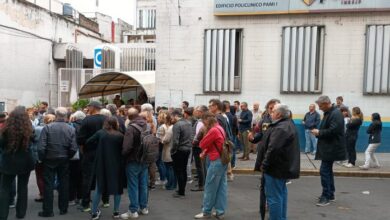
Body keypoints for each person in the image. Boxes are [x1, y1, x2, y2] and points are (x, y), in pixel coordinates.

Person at [254, 104, 300, 220]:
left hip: (275, 168)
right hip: (281, 167)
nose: (271, 113)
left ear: (279, 114)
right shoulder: (287, 124)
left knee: (274, 198)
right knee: (280, 195)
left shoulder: (281, 127)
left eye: (273, 111)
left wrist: (264, 164)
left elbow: (273, 149)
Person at [37, 107, 78, 217]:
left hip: (49, 158)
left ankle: (48, 211)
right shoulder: (71, 129)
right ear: (65, 116)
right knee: (64, 183)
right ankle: (63, 209)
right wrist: (68, 156)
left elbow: (41, 147)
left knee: (48, 184)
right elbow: (74, 147)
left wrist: (43, 158)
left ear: (56, 115)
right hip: (64, 158)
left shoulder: (48, 128)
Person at [0, 106, 35, 220]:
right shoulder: (29, 128)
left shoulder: (5, 129)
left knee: (4, 188)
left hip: (9, 161)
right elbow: (33, 141)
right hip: (25, 161)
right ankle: (20, 213)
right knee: (23, 187)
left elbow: (1, 144)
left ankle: (3, 215)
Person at [86, 117, 124, 220]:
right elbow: (123, 150)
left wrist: (98, 147)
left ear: (106, 124)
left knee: (99, 189)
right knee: (117, 189)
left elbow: (88, 141)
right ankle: (116, 212)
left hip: (101, 164)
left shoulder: (101, 133)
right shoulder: (120, 136)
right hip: (116, 164)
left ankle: (94, 212)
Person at [311, 96, 346, 207]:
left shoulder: (335, 114)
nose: (319, 108)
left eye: (320, 106)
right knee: (327, 171)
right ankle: (330, 194)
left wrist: (319, 132)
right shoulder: (331, 113)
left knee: (324, 171)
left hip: (331, 148)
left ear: (326, 103)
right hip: (329, 147)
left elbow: (333, 131)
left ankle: (326, 196)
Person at [194, 112, 227, 219]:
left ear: (207, 120)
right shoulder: (220, 128)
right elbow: (214, 143)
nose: (203, 124)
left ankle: (206, 211)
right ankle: (220, 211)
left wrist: (204, 131)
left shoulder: (212, 130)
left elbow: (202, 144)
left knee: (210, 187)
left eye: (203, 121)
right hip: (222, 159)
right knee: (221, 187)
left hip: (216, 160)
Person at [76, 101, 107, 212]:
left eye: (89, 106)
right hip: (104, 152)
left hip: (89, 152)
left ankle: (86, 204)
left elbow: (80, 138)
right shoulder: (106, 119)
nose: (88, 108)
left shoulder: (87, 120)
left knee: (87, 178)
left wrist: (83, 146)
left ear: (93, 107)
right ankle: (106, 200)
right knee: (103, 175)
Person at [121, 108, 150, 219]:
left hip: (133, 160)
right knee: (143, 185)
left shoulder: (131, 128)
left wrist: (123, 155)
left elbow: (126, 147)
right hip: (145, 159)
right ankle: (144, 207)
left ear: (129, 116)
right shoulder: (146, 125)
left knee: (133, 186)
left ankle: (133, 210)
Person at [33, 114, 55, 203]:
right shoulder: (56, 128)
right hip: (52, 155)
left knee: (40, 176)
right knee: (51, 176)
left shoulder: (38, 129)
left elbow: (33, 140)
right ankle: (49, 193)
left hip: (39, 155)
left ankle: (43, 194)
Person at [171, 108, 192, 198]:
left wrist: (173, 151)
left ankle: (181, 191)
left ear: (176, 116)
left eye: (172, 117)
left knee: (179, 171)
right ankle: (181, 190)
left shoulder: (177, 125)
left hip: (179, 150)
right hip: (187, 149)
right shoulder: (188, 123)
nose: (171, 118)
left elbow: (175, 141)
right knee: (183, 170)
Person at [68, 111, 85, 206]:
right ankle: (81, 197)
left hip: (74, 154)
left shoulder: (72, 126)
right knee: (82, 177)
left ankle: (71, 198)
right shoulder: (87, 125)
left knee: (72, 177)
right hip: (84, 153)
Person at [191, 105, 208, 192]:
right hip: (200, 146)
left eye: (197, 111)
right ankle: (202, 183)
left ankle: (201, 185)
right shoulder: (201, 121)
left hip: (198, 147)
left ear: (201, 112)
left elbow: (197, 136)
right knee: (201, 166)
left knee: (200, 166)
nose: (196, 112)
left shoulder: (201, 122)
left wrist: (193, 143)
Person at [159, 111, 176, 190]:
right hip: (173, 149)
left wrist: (161, 140)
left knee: (169, 168)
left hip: (168, 150)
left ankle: (170, 185)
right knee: (172, 168)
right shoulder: (175, 126)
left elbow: (165, 140)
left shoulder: (169, 128)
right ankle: (173, 184)